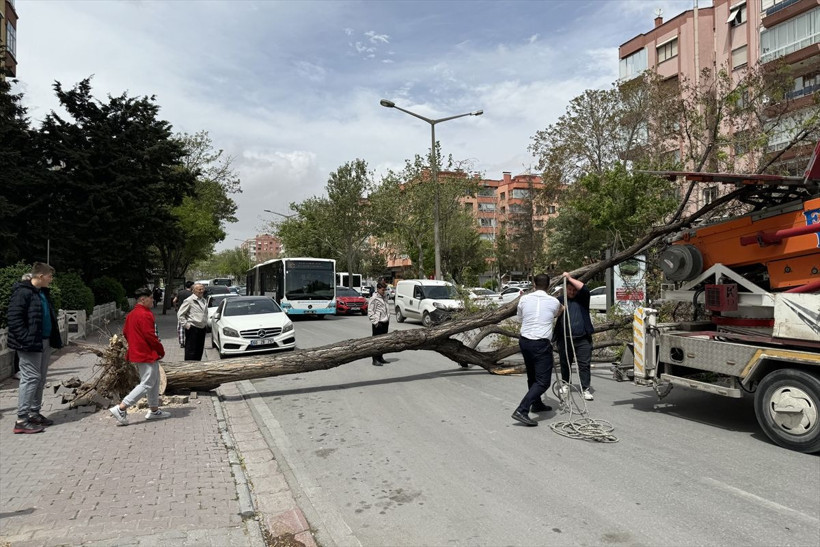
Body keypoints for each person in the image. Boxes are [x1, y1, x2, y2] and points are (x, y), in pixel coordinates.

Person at [8, 263, 64, 434]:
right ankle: (21, 419)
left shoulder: (41, 293)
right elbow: (14, 319)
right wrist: (26, 339)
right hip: (29, 344)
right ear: (40, 276)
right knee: (31, 378)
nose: (51, 280)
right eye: (50, 276)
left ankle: (34, 413)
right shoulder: (22, 292)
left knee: (40, 378)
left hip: (43, 342)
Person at [109, 288, 170, 425]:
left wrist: (135, 343)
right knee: (148, 382)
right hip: (146, 352)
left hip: (139, 351)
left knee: (154, 381)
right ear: (143, 299)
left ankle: (154, 410)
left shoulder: (132, 314)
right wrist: (160, 349)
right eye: (151, 298)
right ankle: (121, 408)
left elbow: (125, 332)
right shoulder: (145, 314)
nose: (153, 300)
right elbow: (150, 335)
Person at [511, 273, 563, 427]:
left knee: (532, 376)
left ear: (534, 284)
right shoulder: (554, 301)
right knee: (543, 381)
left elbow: (520, 317)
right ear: (549, 286)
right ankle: (522, 409)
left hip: (525, 341)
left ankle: (537, 403)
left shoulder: (524, 299)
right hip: (540, 344)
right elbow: (555, 313)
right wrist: (561, 309)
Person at [554, 272, 595, 401]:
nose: (571, 292)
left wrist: (569, 278)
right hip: (564, 338)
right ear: (565, 290)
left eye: (573, 290)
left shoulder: (582, 299)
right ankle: (566, 384)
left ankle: (585, 389)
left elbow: (584, 289)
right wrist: (560, 310)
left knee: (584, 364)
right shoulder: (560, 300)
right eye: (569, 290)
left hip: (582, 338)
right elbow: (553, 314)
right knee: (565, 363)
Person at [177, 283, 208, 361]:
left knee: (199, 350)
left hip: (202, 328)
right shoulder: (189, 300)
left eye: (202, 289)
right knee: (191, 351)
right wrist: (186, 325)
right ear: (194, 291)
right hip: (193, 328)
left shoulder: (204, 300)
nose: (201, 291)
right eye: (199, 289)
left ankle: (197, 367)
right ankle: (188, 367)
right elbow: (180, 314)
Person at [367, 282, 390, 366]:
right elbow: (370, 312)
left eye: (385, 290)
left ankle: (380, 357)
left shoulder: (385, 297)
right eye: (383, 290)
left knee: (383, 342)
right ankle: (375, 359)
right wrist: (375, 322)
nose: (384, 291)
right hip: (378, 323)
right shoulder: (374, 298)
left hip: (385, 322)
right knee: (376, 342)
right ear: (378, 289)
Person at [173, 281, 194, 347]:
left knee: (181, 327)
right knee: (189, 326)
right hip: (189, 312)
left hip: (180, 311)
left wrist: (176, 308)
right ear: (191, 286)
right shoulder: (192, 294)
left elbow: (174, 300)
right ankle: (189, 341)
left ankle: (182, 342)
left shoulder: (180, 293)